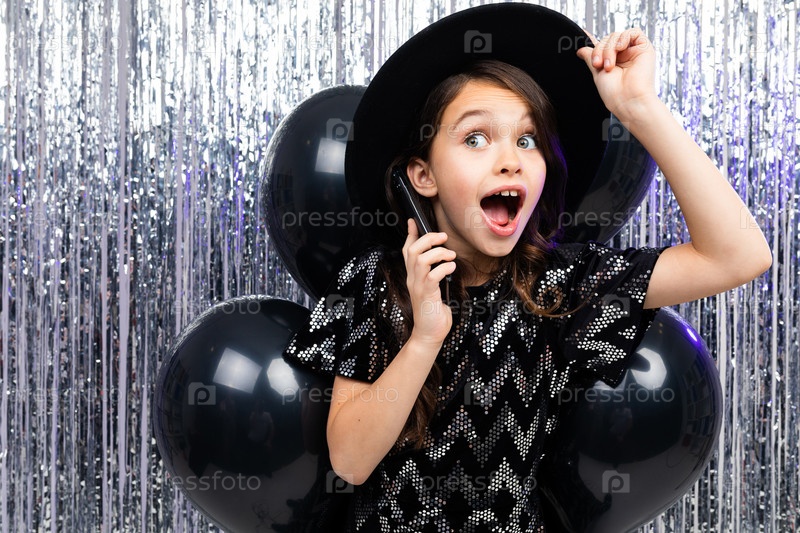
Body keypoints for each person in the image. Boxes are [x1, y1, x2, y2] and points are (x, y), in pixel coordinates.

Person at [282, 4, 771, 532]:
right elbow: (351, 462)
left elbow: (738, 256)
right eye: (475, 138)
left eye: (527, 139)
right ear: (422, 175)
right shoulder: (375, 280)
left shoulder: (558, 284)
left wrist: (640, 108)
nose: (510, 159)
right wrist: (425, 337)